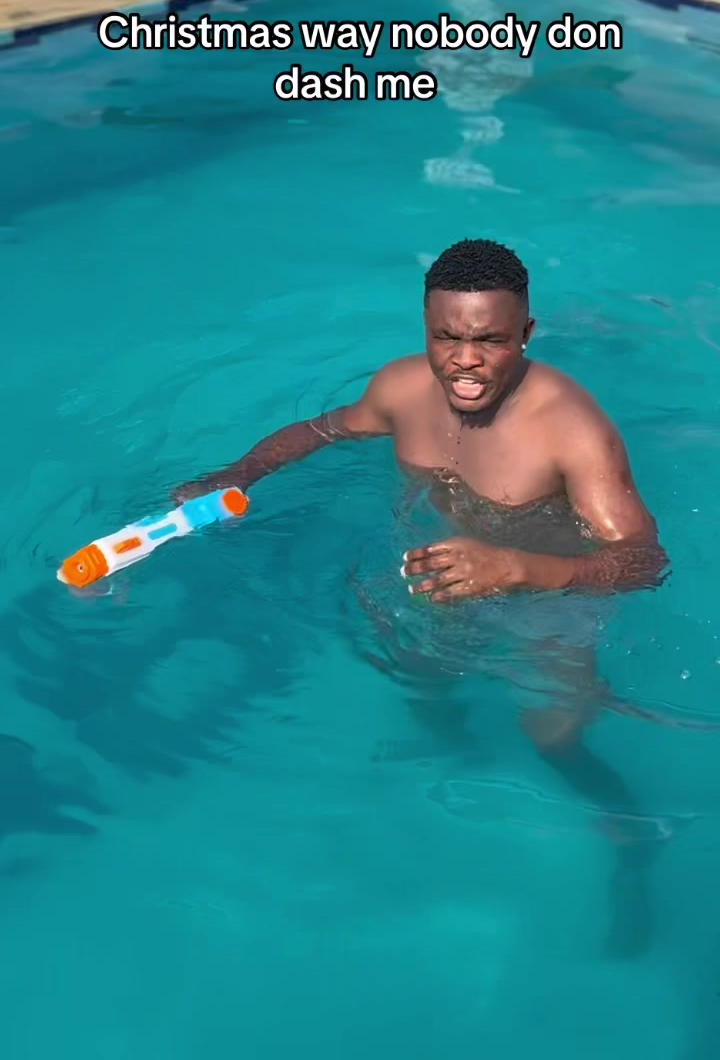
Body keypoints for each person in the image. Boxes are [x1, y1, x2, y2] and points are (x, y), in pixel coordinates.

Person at [174, 237, 669, 956]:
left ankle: (632, 835)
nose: (465, 360)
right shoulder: (402, 388)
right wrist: (240, 473)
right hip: (448, 569)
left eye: (490, 341)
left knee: (553, 735)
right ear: (426, 329)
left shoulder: (573, 429)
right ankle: (453, 759)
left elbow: (644, 562)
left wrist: (521, 569)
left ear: (526, 334)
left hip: (550, 590)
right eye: (447, 338)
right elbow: (322, 429)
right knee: (419, 674)